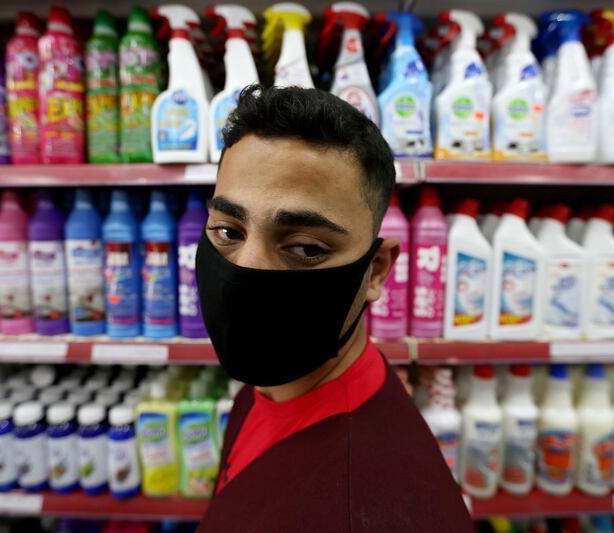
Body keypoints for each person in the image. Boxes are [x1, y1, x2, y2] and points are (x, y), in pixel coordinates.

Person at [195, 85, 472, 532]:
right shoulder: (278, 382)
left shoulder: (367, 510)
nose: (243, 271)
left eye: (305, 247)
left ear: (376, 271)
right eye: (228, 231)